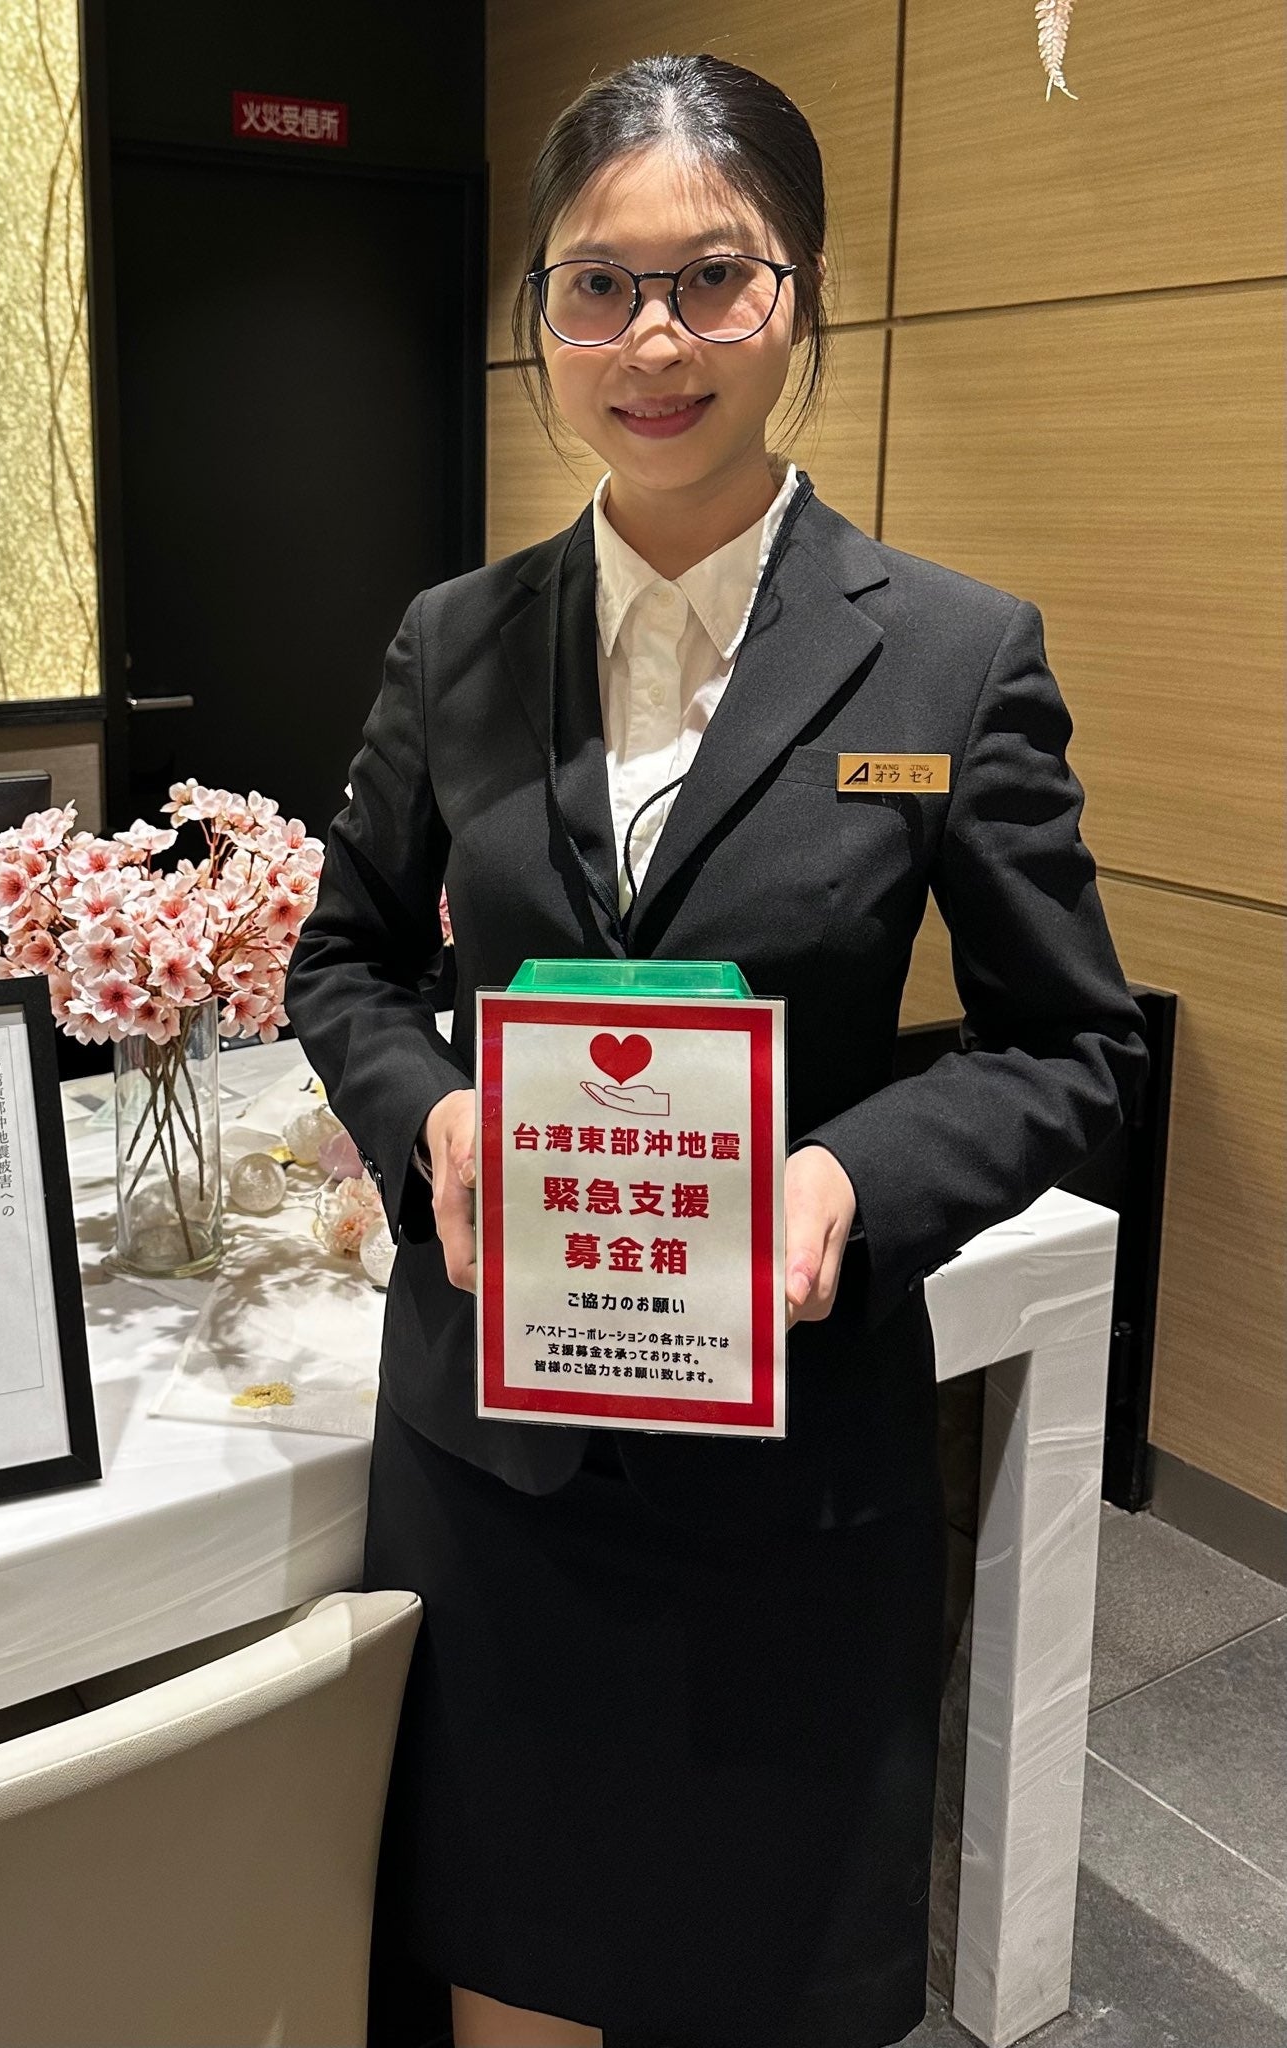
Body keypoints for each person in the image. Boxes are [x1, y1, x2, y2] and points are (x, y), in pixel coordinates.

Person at [283, 51, 1147, 2048]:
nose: (651, 340)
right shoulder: (452, 642)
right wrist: (432, 1113)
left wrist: (850, 1171)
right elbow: (343, 959)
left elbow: (1068, 1043)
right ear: (542, 318)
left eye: (711, 278)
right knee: (507, 1969)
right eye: (597, 286)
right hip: (498, 1458)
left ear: (800, 294)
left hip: (790, 1469)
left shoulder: (948, 656)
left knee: (765, 1971)